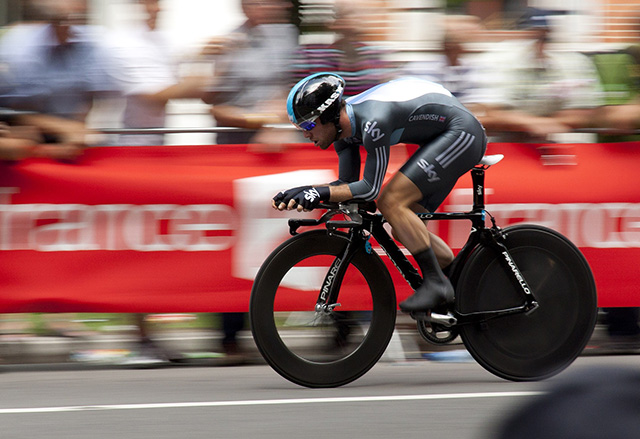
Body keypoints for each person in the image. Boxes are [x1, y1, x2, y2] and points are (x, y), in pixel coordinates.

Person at [273, 73, 487, 312]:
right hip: (441, 136)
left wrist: (318, 193)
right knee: (403, 227)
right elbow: (346, 185)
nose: (306, 134)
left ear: (330, 115)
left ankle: (436, 284)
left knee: (391, 202)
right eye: (301, 127)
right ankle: (466, 289)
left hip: (462, 132)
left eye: (310, 125)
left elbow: (369, 189)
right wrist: (304, 192)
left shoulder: (373, 121)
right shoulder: (342, 135)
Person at [202, 0, 298, 147]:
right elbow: (212, 100)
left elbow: (294, 84)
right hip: (236, 132)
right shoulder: (228, 41)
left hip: (280, 132)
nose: (261, 7)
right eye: (252, 3)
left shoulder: (290, 36)